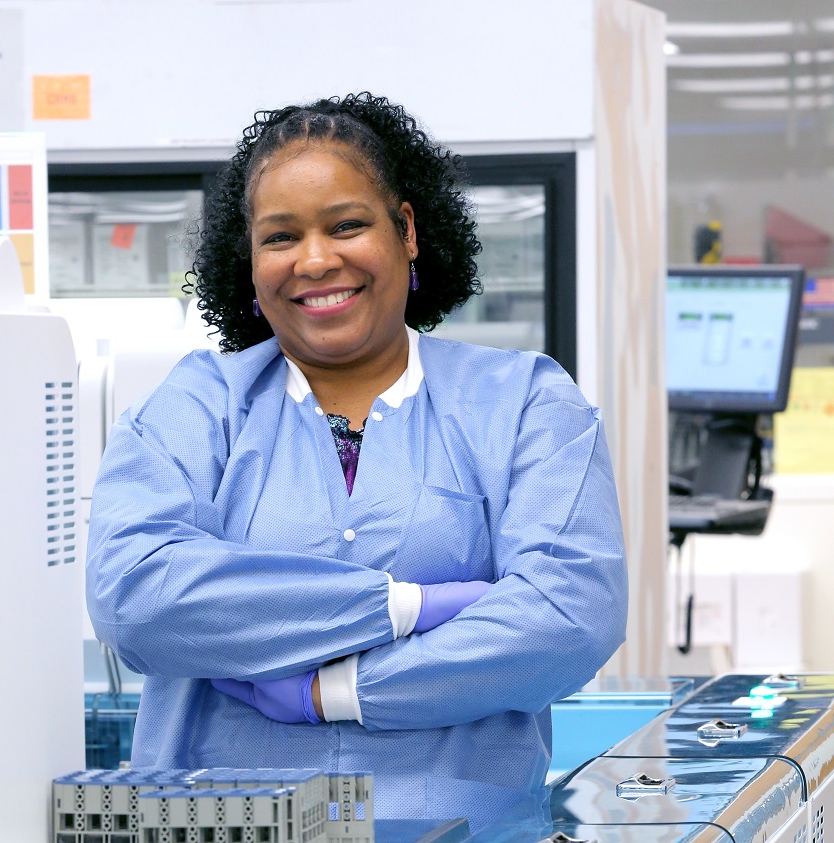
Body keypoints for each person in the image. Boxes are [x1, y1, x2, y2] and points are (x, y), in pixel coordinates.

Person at [86, 92, 627, 830]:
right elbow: (137, 598)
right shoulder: (195, 408)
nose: (315, 260)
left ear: (405, 230)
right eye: (280, 237)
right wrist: (410, 606)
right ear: (249, 260)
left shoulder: (526, 403)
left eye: (346, 225)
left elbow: (569, 616)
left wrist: (330, 690)